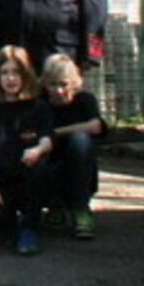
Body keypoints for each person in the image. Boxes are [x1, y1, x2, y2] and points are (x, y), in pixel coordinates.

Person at [0, 47, 55, 255]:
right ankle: (8, 226)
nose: (11, 79)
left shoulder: (38, 107)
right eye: (5, 73)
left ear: (25, 75)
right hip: (0, 180)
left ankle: (29, 229)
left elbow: (47, 140)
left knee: (38, 166)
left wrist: (37, 149)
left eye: (16, 73)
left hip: (28, 177)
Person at [40, 54, 105, 240]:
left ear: (74, 83)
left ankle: (80, 208)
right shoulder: (40, 104)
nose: (59, 91)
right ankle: (54, 204)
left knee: (80, 141)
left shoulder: (85, 100)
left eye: (64, 84)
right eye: (53, 85)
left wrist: (56, 132)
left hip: (79, 163)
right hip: (50, 163)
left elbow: (96, 126)